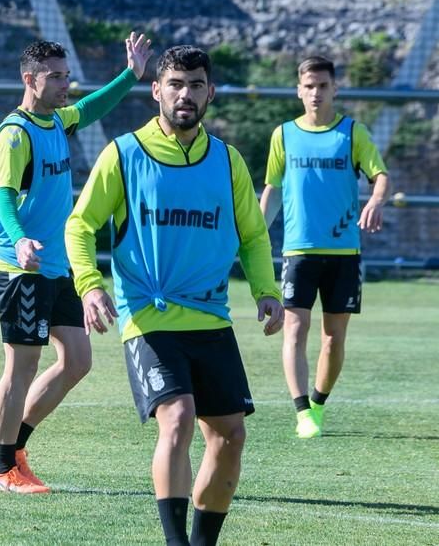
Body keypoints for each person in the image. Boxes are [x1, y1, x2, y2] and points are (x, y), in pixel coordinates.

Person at [65, 45, 284, 546]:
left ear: (210, 92)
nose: (186, 94)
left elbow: (251, 236)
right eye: (177, 84)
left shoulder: (227, 160)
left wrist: (266, 291)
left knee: (230, 436)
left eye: (197, 85)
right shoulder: (123, 153)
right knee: (179, 416)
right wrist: (90, 286)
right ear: (156, 90)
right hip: (150, 314)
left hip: (210, 317)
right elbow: (80, 226)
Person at [0, 35, 152, 493]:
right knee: (20, 367)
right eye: (55, 76)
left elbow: (92, 108)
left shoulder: (57, 121)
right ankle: (2, 469)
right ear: (29, 79)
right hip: (22, 268)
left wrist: (130, 76)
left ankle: (10, 445)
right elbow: (2, 197)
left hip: (55, 267)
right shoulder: (15, 134)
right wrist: (19, 241)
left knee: (77, 360)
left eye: (66, 75)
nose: (65, 84)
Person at [259, 56, 389, 439]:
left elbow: (380, 176)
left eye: (323, 86)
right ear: (299, 90)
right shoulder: (283, 135)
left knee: (333, 339)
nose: (316, 93)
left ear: (335, 89)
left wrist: (376, 200)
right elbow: (273, 191)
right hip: (298, 251)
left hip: (344, 253)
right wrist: (253, 237)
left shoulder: (352, 133)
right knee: (295, 330)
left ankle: (317, 402)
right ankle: (302, 411)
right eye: (309, 86)